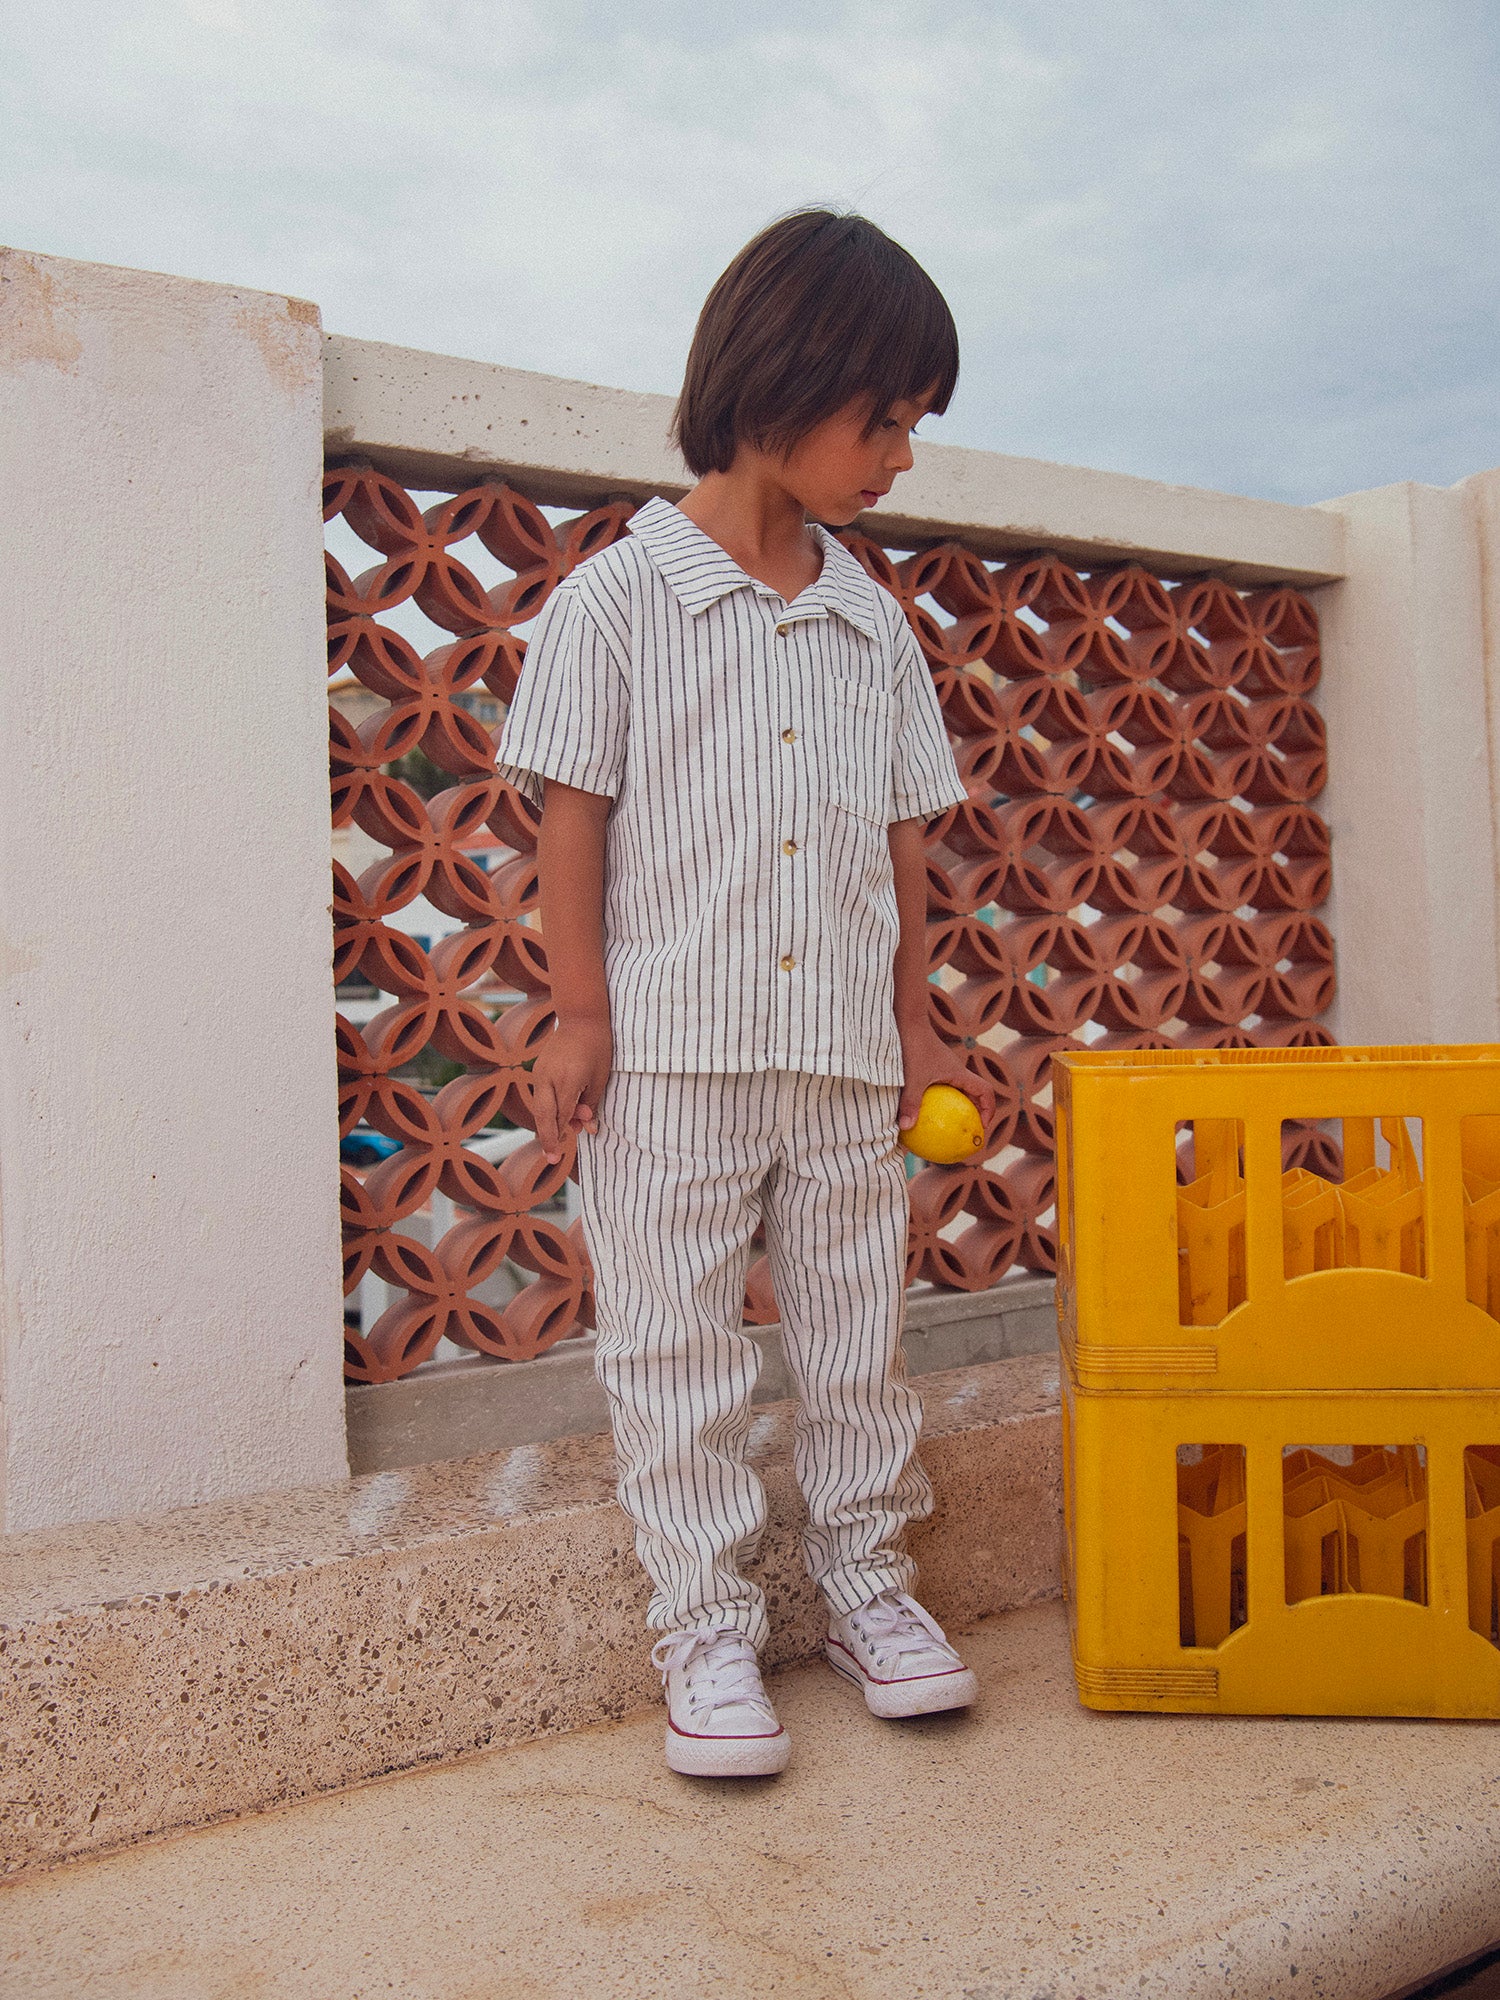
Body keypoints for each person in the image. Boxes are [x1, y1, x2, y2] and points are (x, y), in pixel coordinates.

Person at [496, 209, 996, 1778]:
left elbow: (906, 837)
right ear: (784, 381)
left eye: (916, 423)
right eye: (888, 417)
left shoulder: (874, 626)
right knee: (674, 1349)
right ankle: (702, 1623)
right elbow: (570, 810)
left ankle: (867, 1583)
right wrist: (583, 1014)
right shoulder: (615, 604)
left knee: (859, 1339)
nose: (902, 457)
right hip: (677, 1053)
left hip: (847, 1057)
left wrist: (917, 1019)